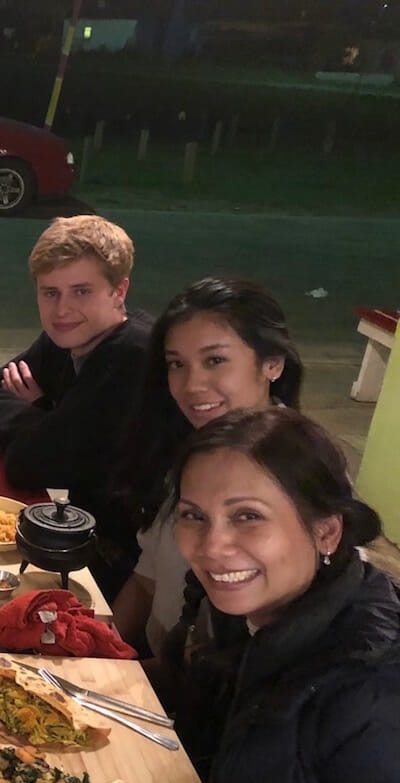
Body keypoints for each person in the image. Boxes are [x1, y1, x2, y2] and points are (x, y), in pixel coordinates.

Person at [160, 407, 400, 783]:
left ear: (326, 532)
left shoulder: (372, 691)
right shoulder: (230, 613)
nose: (212, 546)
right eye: (193, 516)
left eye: (248, 517)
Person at [112, 277, 303, 657]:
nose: (192, 384)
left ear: (273, 364)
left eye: (215, 360)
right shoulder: (192, 450)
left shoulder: (304, 473)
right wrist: (91, 656)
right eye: (177, 364)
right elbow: (149, 578)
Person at [0, 214, 151, 599]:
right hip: (74, 533)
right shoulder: (66, 337)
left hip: (127, 566)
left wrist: (47, 422)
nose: (62, 309)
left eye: (81, 291)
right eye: (50, 292)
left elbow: (30, 465)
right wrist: (49, 417)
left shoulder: (132, 354)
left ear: (119, 291)